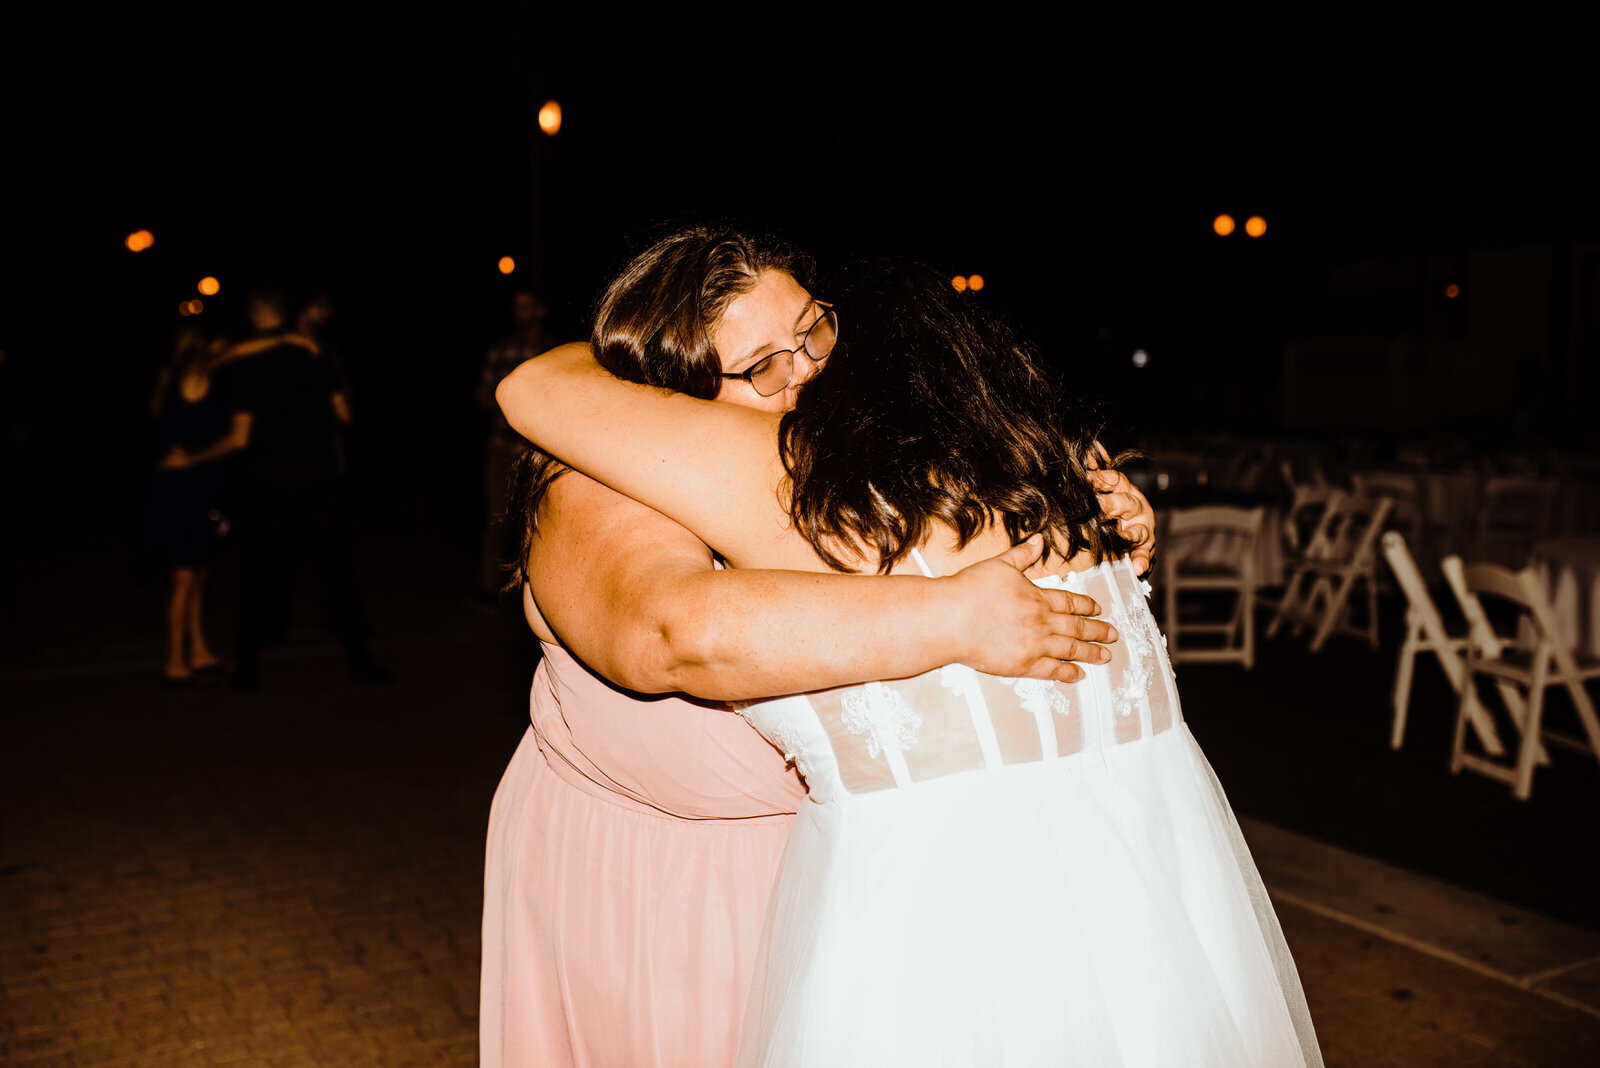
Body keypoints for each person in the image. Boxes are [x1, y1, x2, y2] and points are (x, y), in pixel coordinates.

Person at [498, 257, 1321, 1066]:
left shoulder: (846, 472)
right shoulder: (611, 480)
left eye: (814, 330)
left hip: (848, 891)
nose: (811, 372)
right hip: (665, 899)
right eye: (759, 366)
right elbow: (671, 630)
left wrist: (1067, 509)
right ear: (654, 403)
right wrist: (952, 614)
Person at [217, 288, 386, 690]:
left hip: (266, 483)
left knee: (255, 575)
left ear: (253, 315)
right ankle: (361, 664)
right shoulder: (314, 353)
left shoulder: (245, 363)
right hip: (318, 480)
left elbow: (240, 437)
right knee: (338, 574)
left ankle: (247, 672)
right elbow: (344, 413)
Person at [148, 325, 231, 685]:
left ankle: (198, 649)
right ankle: (174, 658)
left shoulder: (168, 382)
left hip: (192, 491)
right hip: (185, 493)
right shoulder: (197, 382)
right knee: (184, 578)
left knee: (198, 574)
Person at [477, 289, 554, 598]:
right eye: (516, 308)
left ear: (540, 310)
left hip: (538, 453)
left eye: (526, 307)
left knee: (539, 524)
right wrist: (505, 396)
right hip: (502, 447)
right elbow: (482, 396)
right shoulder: (502, 350)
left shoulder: (553, 352)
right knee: (497, 520)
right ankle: (487, 590)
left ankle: (538, 592)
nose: (520, 313)